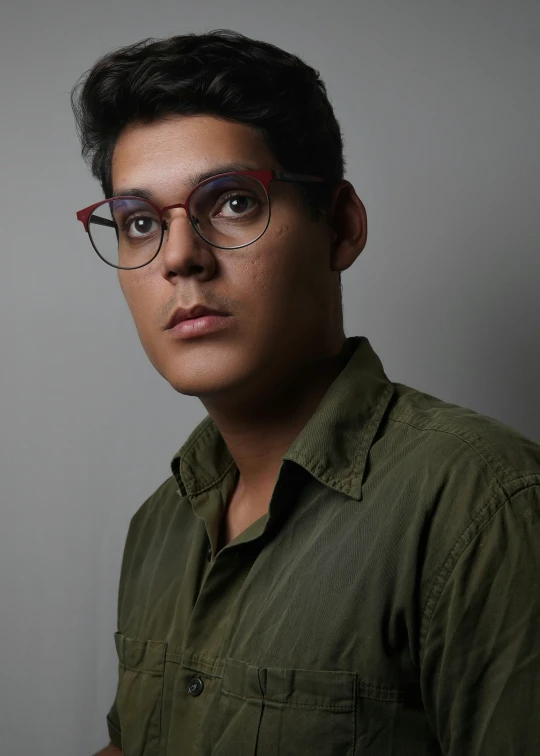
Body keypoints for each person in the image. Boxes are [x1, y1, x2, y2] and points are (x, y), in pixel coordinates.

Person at [71, 29, 540, 756]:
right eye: (139, 223)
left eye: (230, 203)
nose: (179, 256)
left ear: (342, 226)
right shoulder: (159, 527)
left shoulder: (485, 506)